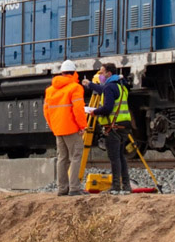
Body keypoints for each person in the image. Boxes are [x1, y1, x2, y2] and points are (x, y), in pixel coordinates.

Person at [82, 63, 133, 195]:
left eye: (102, 72)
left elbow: (107, 108)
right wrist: (90, 84)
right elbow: (103, 90)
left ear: (109, 73)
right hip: (124, 125)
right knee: (121, 156)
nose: (100, 75)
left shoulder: (109, 87)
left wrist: (94, 112)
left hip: (113, 127)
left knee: (114, 157)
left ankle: (116, 186)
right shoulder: (121, 86)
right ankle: (126, 185)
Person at [43, 60, 88, 196]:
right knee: (75, 156)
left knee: (62, 158)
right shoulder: (75, 87)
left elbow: (46, 111)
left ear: (61, 73)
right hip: (72, 128)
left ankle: (62, 188)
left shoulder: (50, 90)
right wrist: (82, 126)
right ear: (74, 72)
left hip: (58, 129)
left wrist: (54, 127)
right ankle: (74, 188)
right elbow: (78, 109)